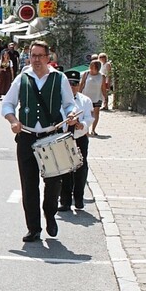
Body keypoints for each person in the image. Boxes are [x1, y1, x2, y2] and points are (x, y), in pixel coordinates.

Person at [1, 40, 77, 242]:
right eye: (32, 55)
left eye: (39, 56)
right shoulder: (22, 78)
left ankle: (50, 214)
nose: (35, 60)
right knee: (29, 184)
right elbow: (7, 104)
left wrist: (72, 116)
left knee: (53, 182)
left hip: (51, 135)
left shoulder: (59, 78)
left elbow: (69, 105)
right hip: (26, 136)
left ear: (47, 58)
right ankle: (33, 227)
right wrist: (13, 121)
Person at [59, 70, 94, 212]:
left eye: (75, 84)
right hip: (64, 138)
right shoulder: (59, 100)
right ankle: (65, 201)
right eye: (69, 84)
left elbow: (89, 118)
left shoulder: (85, 100)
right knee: (64, 170)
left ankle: (79, 199)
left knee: (80, 169)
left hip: (79, 138)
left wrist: (82, 125)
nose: (72, 86)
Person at [79, 60, 106, 136]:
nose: (90, 66)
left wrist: (105, 97)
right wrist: (78, 93)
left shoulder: (102, 76)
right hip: (86, 97)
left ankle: (93, 130)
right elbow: (81, 84)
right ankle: (86, 129)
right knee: (87, 114)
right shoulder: (86, 74)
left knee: (95, 113)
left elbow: (103, 88)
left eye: (92, 65)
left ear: (97, 67)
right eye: (90, 65)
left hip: (97, 97)